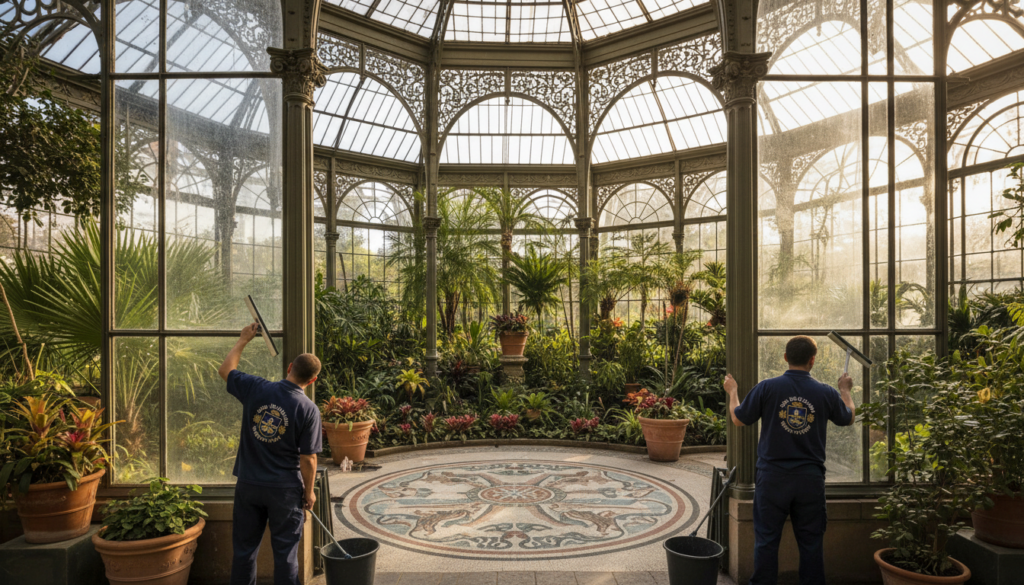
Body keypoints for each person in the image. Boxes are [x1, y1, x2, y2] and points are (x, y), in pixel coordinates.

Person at [723, 335, 855, 585]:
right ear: (812, 360)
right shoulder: (825, 392)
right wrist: (845, 390)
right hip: (810, 480)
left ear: (785, 357)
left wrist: (733, 392)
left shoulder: (767, 387)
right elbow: (848, 417)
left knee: (766, 541)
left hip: (772, 478)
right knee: (811, 544)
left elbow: (739, 418)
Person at [218, 323, 323, 585]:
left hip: (249, 484)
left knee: (244, 551)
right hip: (284, 491)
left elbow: (225, 370)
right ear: (312, 381)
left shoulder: (255, 387)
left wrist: (243, 340)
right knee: (285, 556)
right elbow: (308, 458)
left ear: (289, 367)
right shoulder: (309, 409)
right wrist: (308, 492)